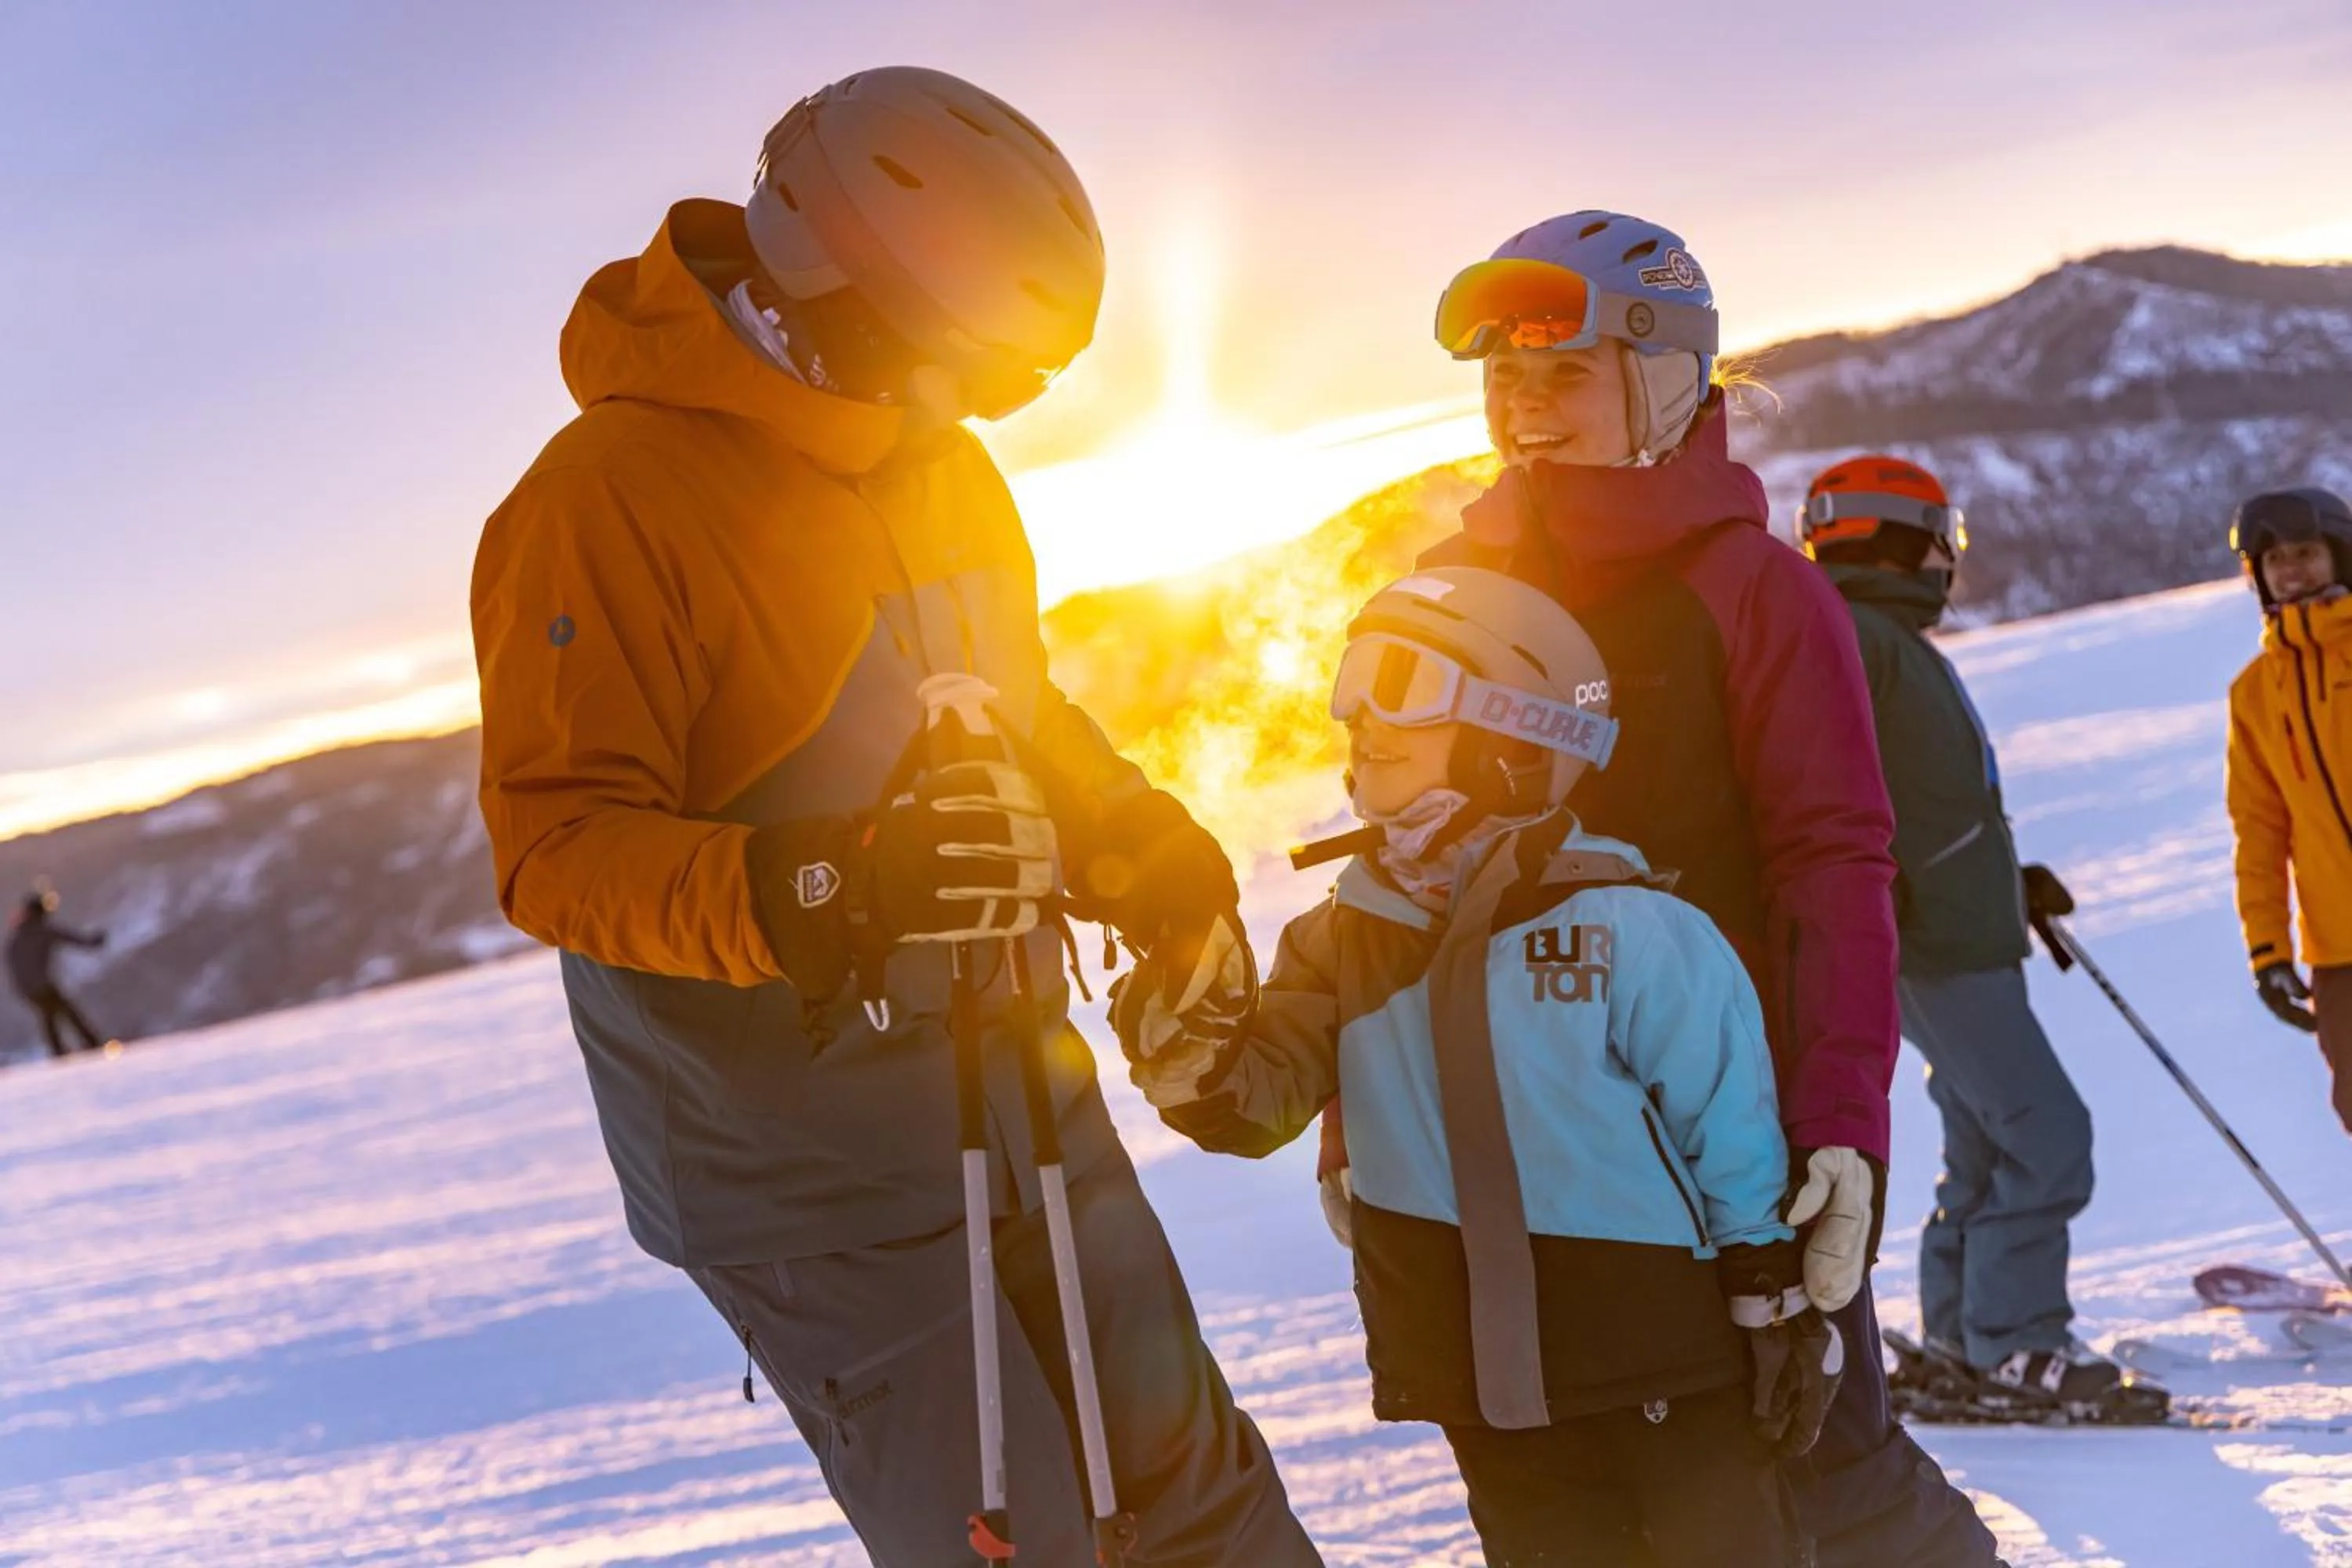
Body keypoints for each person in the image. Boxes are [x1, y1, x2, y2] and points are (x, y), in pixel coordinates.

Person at [470, 67, 1317, 1566]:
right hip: (808, 1162)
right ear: (834, 280)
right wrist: (826, 890)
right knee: (1025, 1540)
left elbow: (1014, 706)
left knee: (1199, 1496)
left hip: (1016, 1078)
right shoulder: (603, 498)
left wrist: (1129, 841)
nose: (970, 414)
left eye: (1003, 389)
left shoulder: (934, 461)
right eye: (961, 368)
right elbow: (556, 852)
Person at [1392, 212, 2002, 1564]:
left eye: (1561, 374)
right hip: (1518, 1150)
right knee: (1557, 1500)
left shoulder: (1758, 595)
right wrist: (1358, 1120)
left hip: (1726, 1153)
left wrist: (1839, 1123)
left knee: (1817, 1477)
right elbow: (1409, 874)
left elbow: (1831, 863)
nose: (1523, 411)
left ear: (1663, 377)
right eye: (1503, 381)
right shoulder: (1449, 595)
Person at [1115, 567, 1835, 1567]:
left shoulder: (1628, 924)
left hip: (1664, 1357)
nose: (1362, 717)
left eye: (1402, 686)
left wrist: (1770, 1294)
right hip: (1483, 1386)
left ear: (1511, 735)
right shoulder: (1339, 944)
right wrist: (1189, 1046)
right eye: (1351, 685)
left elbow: (1729, 1126)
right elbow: (1257, 1104)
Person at [1800, 456, 2121, 1406]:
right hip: (1935, 942)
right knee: (2048, 1131)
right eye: (1943, 537)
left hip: (1959, 928)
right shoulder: (1859, 640)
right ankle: (2014, 1340)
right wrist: (1886, 892)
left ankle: (1961, 1334)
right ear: (1898, 539)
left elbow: (1921, 801)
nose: (1949, 558)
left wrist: (2002, 876)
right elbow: (1829, 787)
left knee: (1985, 1140)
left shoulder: (1881, 640)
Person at [2224, 485, 2352, 1138]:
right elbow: (2260, 832)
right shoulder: (2253, 695)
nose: (2292, 570)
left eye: (2305, 552)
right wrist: (2269, 948)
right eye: (2274, 560)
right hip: (2339, 950)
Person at [8, 888, 107, 1058]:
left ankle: (59, 1051)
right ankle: (91, 1043)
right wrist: (94, 942)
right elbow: (72, 939)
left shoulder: (18, 936)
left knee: (49, 1015)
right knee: (67, 1011)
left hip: (25, 988)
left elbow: (12, 961)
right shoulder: (42, 930)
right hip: (42, 984)